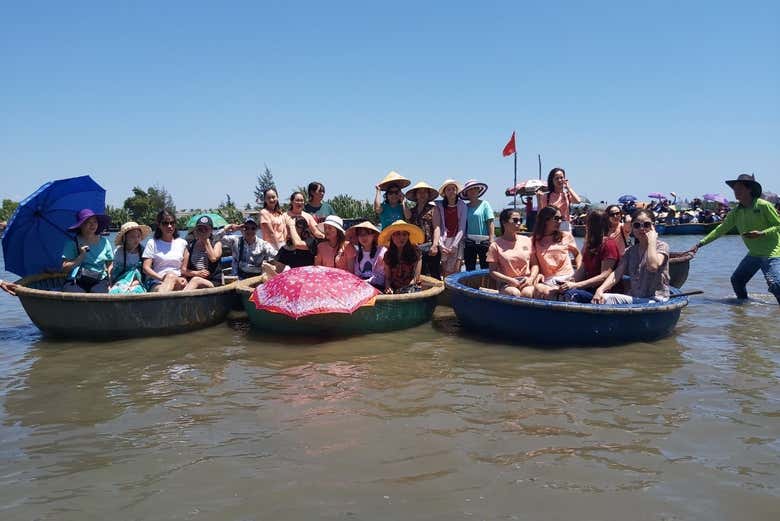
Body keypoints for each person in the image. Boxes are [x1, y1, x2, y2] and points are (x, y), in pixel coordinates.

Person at [688, 174, 780, 304]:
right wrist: (700, 243)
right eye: (734, 189)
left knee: (776, 284)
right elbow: (721, 229)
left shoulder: (763, 205)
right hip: (754, 254)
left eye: (740, 188)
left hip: (772, 253)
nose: (736, 191)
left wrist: (762, 233)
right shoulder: (736, 212)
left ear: (749, 189)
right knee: (737, 280)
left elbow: (778, 225)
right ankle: (742, 306)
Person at [592, 209, 670, 304]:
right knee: (602, 298)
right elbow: (617, 274)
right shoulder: (629, 251)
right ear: (632, 228)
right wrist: (600, 289)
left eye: (646, 225)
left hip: (657, 299)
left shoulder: (662, 246)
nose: (642, 229)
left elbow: (653, 266)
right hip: (636, 298)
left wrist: (652, 241)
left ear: (653, 227)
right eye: (637, 225)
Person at [559, 210, 620, 303]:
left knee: (571, 295)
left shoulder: (609, 244)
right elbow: (582, 270)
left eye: (589, 224)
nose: (586, 227)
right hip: (588, 289)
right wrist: (570, 281)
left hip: (603, 292)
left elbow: (604, 276)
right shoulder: (590, 246)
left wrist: (576, 285)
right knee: (559, 292)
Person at [531, 206, 582, 300]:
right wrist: (537, 274)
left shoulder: (566, 236)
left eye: (561, 218)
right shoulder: (534, 240)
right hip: (547, 280)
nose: (559, 221)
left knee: (551, 293)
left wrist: (578, 273)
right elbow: (534, 264)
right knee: (540, 290)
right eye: (556, 218)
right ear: (545, 220)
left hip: (568, 278)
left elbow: (577, 254)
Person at [61, 208, 114, 293]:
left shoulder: (104, 242)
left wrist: (111, 282)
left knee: (99, 296)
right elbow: (64, 269)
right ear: (81, 225)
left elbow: (110, 265)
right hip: (76, 280)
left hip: (99, 280)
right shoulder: (72, 243)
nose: (92, 225)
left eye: (95, 222)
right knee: (75, 297)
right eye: (88, 222)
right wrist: (81, 256)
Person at [487, 209, 537, 297]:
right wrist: (510, 280)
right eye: (515, 220)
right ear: (504, 222)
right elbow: (492, 271)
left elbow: (535, 264)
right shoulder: (495, 245)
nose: (519, 223)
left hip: (526, 280)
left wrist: (531, 278)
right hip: (506, 282)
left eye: (520, 220)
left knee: (528, 293)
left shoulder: (527, 241)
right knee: (514, 293)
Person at [142, 209, 188, 293]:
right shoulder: (152, 243)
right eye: (165, 223)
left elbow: (183, 270)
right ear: (159, 225)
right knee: (170, 277)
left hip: (178, 281)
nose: (169, 226)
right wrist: (162, 278)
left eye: (172, 223)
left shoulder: (182, 243)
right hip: (157, 283)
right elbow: (146, 268)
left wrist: (183, 278)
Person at [405, 181, 441, 279]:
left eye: (425, 192)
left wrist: (435, 245)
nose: (422, 194)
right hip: (416, 247)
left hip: (430, 246)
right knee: (419, 275)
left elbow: (437, 227)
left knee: (434, 274)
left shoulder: (433, 209)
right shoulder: (411, 211)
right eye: (419, 192)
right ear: (415, 195)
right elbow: (409, 227)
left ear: (428, 195)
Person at [378, 220, 423, 294]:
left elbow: (416, 278)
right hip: (394, 290)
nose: (401, 237)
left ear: (408, 236)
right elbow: (388, 278)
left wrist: (405, 290)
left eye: (404, 234)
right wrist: (388, 287)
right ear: (392, 236)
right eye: (397, 234)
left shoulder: (416, 252)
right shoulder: (388, 255)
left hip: (412, 289)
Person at [460, 179, 495, 271]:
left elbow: (490, 222)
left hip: (484, 241)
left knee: (486, 267)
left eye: (475, 188)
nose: (473, 191)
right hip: (469, 241)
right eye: (470, 189)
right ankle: (470, 285)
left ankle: (486, 285)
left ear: (479, 190)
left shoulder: (485, 204)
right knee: (469, 267)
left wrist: (491, 240)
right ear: (466, 192)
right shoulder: (465, 207)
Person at [181, 215, 223, 290]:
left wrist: (206, 241)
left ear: (211, 230)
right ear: (196, 230)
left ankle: (180, 300)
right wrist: (196, 273)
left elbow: (213, 258)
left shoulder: (217, 243)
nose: (203, 232)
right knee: (192, 280)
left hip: (212, 282)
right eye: (200, 229)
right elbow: (183, 270)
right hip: (193, 279)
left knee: (196, 280)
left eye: (206, 229)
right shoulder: (190, 246)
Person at [435, 179, 467, 277]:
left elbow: (462, 227)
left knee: (457, 266)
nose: (451, 191)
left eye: (453, 189)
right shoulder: (439, 205)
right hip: (444, 239)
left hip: (458, 239)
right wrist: (441, 245)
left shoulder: (462, 205)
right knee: (444, 267)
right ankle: (446, 289)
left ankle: (456, 290)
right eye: (448, 189)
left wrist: (454, 245)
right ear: (444, 192)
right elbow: (438, 226)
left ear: (456, 191)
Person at [110, 221, 151, 294]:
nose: (136, 239)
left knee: (135, 290)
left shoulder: (143, 251)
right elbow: (115, 271)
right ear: (125, 238)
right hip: (122, 280)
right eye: (132, 236)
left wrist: (135, 281)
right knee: (115, 291)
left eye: (138, 236)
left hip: (139, 281)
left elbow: (146, 273)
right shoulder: (119, 252)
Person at [535, 167, 582, 232]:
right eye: (557, 178)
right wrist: (538, 200)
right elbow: (540, 215)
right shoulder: (546, 196)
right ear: (552, 181)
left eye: (561, 178)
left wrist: (568, 187)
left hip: (565, 225)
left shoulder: (567, 195)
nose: (560, 180)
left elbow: (578, 201)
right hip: (552, 226)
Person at [346, 221, 386, 289]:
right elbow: (357, 274)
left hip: (377, 287)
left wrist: (365, 282)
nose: (363, 237)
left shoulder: (382, 251)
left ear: (374, 235)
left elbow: (381, 277)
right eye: (360, 234)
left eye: (367, 233)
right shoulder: (358, 253)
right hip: (361, 287)